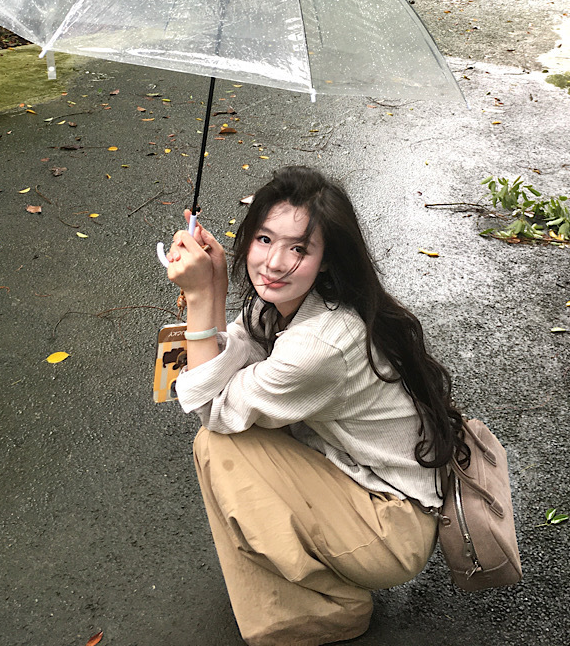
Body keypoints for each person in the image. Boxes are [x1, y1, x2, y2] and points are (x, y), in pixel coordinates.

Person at [166, 165, 467, 646]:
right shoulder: (293, 302)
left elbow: (213, 407)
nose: (274, 263)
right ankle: (297, 593)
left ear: (326, 260)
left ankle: (329, 606)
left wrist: (200, 294)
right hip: (359, 479)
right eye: (264, 239)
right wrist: (217, 284)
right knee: (231, 439)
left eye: (299, 249)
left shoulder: (320, 347)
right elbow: (231, 361)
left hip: (391, 527)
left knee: (220, 447)